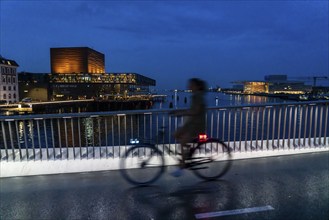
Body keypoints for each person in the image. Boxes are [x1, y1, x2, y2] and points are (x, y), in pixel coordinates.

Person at [171, 78, 207, 177]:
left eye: (191, 85)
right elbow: (192, 110)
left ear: (197, 86)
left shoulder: (198, 96)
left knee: (182, 141)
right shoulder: (195, 96)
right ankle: (187, 152)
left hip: (196, 125)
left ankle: (182, 165)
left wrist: (180, 113)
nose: (189, 86)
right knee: (176, 134)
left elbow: (195, 111)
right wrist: (180, 113)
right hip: (191, 123)